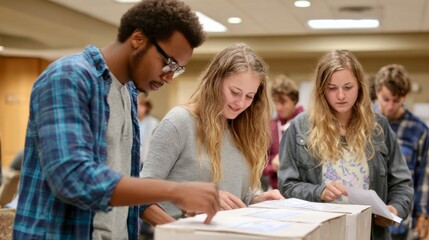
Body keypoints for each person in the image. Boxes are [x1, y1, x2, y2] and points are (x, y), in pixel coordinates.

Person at [13, 1, 220, 239]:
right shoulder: (69, 77)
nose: (170, 77)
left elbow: (120, 185)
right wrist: (176, 191)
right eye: (169, 63)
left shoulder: (127, 92)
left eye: (178, 69)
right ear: (138, 39)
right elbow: (73, 178)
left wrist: (178, 222)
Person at [140, 43, 284, 226]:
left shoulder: (242, 130)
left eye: (249, 96)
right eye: (234, 92)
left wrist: (257, 200)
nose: (240, 103)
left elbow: (239, 194)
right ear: (215, 81)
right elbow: (142, 199)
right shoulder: (179, 122)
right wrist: (179, 233)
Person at [278, 49, 413, 239]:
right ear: (321, 90)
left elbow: (402, 183)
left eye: (348, 87)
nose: (341, 95)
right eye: (332, 88)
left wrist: (395, 209)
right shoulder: (301, 126)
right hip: (320, 232)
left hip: (370, 232)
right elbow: (287, 184)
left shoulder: (378, 126)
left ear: (360, 87)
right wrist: (319, 192)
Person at [374, 64, 429, 240]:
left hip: (400, 222)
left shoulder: (419, 130)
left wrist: (423, 215)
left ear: (405, 97)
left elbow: (424, 177)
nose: (390, 106)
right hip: (367, 217)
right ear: (377, 93)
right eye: (386, 99)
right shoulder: (363, 122)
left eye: (396, 101)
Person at [262, 74, 303, 190]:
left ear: (294, 100)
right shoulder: (271, 127)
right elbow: (260, 167)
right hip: (276, 189)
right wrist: (272, 167)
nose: (278, 107)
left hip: (302, 190)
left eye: (283, 102)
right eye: (275, 102)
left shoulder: (307, 124)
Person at [137, 93, 160, 163]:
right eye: (138, 104)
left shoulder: (154, 122)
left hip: (147, 160)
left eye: (142, 105)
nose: (139, 108)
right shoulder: (131, 121)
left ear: (147, 107)